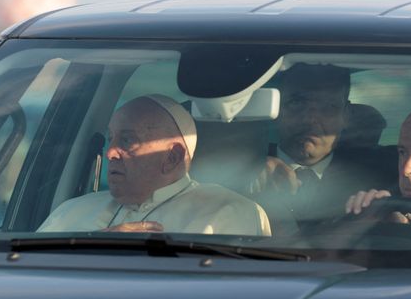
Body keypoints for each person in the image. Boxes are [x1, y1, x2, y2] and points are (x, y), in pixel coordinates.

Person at [38, 94, 272, 236]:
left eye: (127, 140)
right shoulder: (70, 211)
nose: (110, 152)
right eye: (111, 138)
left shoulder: (228, 212)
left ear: (172, 157)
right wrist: (95, 243)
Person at [254, 63, 395, 227]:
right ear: (277, 108)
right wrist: (250, 172)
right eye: (297, 103)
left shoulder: (378, 176)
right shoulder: (241, 166)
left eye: (328, 107)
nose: (310, 120)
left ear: (346, 115)